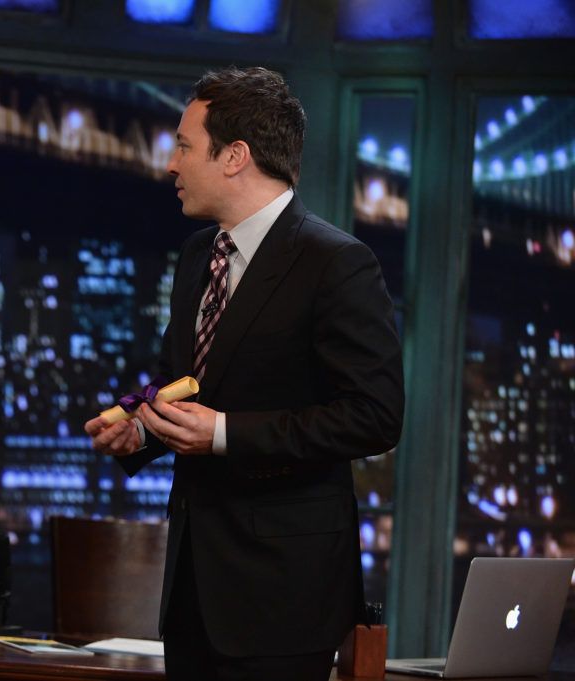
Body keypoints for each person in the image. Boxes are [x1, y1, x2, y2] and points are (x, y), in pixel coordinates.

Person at [84, 67, 404, 681]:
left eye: (183, 146)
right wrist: (139, 429)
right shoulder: (196, 255)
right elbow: (177, 382)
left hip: (284, 596)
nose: (171, 165)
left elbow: (374, 417)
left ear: (234, 156)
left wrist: (225, 434)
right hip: (191, 593)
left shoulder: (337, 263)